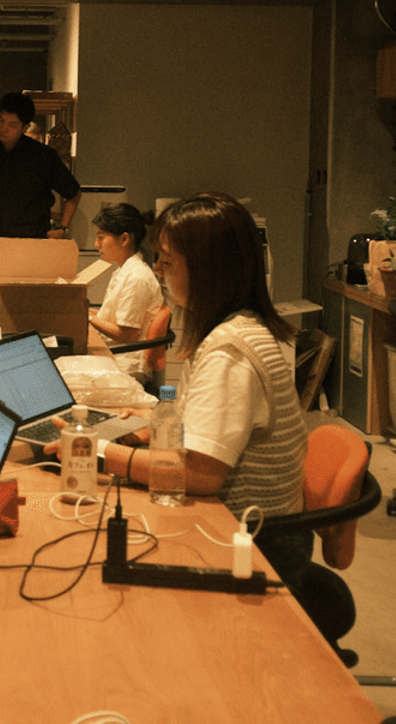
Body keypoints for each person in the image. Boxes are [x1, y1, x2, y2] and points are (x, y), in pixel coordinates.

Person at [92, 192, 309, 578]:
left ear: (208, 270)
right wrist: (150, 427)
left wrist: (96, 451)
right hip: (239, 528)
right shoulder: (234, 328)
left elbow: (200, 474)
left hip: (253, 545)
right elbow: (200, 422)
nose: (158, 269)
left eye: (167, 261)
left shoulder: (230, 352)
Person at [0, 91, 81, 263]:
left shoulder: (43, 156)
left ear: (25, 127)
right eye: (0, 120)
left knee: (31, 281)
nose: (3, 128)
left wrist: (62, 228)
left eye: (11, 124)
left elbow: (73, 192)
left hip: (32, 245)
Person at [87, 203, 164, 382]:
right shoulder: (124, 271)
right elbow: (113, 318)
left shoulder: (137, 277)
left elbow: (126, 335)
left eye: (101, 237)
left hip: (126, 364)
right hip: (116, 354)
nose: (96, 244)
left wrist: (88, 318)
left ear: (124, 239)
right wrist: (82, 311)